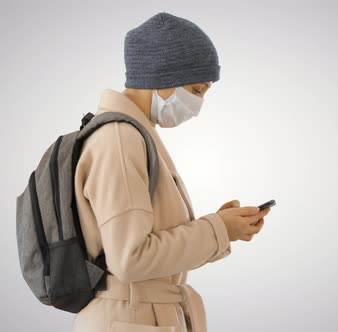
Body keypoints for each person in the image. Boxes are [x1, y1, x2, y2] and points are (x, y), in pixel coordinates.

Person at [71, 12, 271, 332]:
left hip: (137, 315)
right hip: (129, 318)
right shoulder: (120, 140)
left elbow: (149, 253)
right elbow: (131, 259)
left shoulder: (134, 134)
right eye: (196, 89)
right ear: (163, 77)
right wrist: (217, 230)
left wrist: (223, 229)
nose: (199, 102)